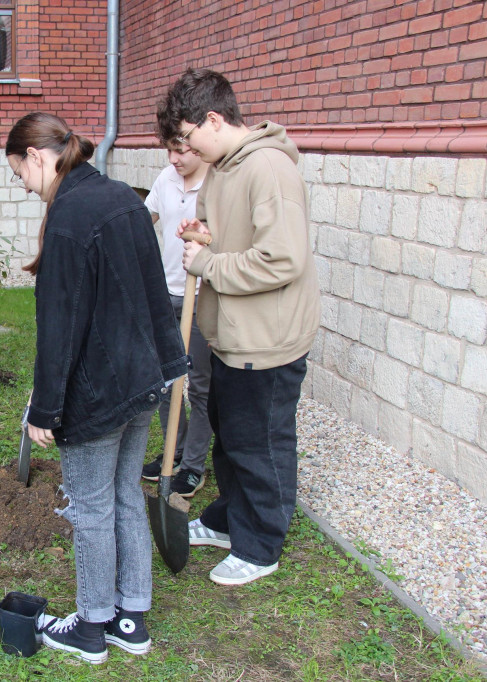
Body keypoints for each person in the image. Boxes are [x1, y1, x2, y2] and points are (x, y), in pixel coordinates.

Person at [7, 113, 188, 664]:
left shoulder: (66, 219)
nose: (24, 184)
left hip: (97, 392)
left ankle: (91, 627)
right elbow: (155, 286)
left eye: (20, 173)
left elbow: (59, 326)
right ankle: (131, 618)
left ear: (38, 156)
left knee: (89, 508)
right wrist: (169, 363)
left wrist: (45, 409)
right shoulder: (122, 197)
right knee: (126, 495)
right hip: (142, 379)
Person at [158, 68, 320, 586]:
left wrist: (208, 264)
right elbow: (231, 235)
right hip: (229, 336)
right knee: (229, 440)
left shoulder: (269, 169)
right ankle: (232, 520)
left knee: (261, 445)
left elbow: (282, 259)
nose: (185, 147)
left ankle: (261, 544)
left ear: (212, 119)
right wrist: (204, 233)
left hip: (265, 341)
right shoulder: (224, 166)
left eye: (186, 136)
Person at [140, 139, 214, 498]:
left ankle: (194, 466)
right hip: (166, 293)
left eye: (181, 150)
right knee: (167, 380)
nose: (173, 159)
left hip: (202, 297)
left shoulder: (216, 182)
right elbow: (144, 219)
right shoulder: (167, 178)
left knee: (200, 385)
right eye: (169, 151)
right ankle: (175, 449)